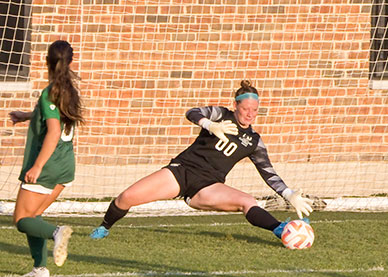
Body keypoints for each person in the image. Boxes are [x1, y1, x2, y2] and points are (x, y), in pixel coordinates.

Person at [90, 80, 313, 241]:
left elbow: (268, 172)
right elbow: (192, 112)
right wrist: (210, 125)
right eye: (245, 109)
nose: (250, 114)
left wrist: (288, 194)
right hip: (181, 172)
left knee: (247, 201)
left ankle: (280, 229)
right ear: (236, 105)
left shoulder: (254, 141)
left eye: (254, 110)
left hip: (209, 186)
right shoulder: (221, 114)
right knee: (126, 197)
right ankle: (104, 227)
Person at [10, 40, 84, 277]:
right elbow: (54, 116)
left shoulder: (49, 92)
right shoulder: (69, 90)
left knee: (21, 218)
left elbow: (53, 130)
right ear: (70, 62)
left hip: (48, 166)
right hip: (65, 166)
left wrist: (38, 166)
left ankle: (57, 232)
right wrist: (27, 115)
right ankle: (39, 268)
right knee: (33, 215)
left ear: (47, 62)